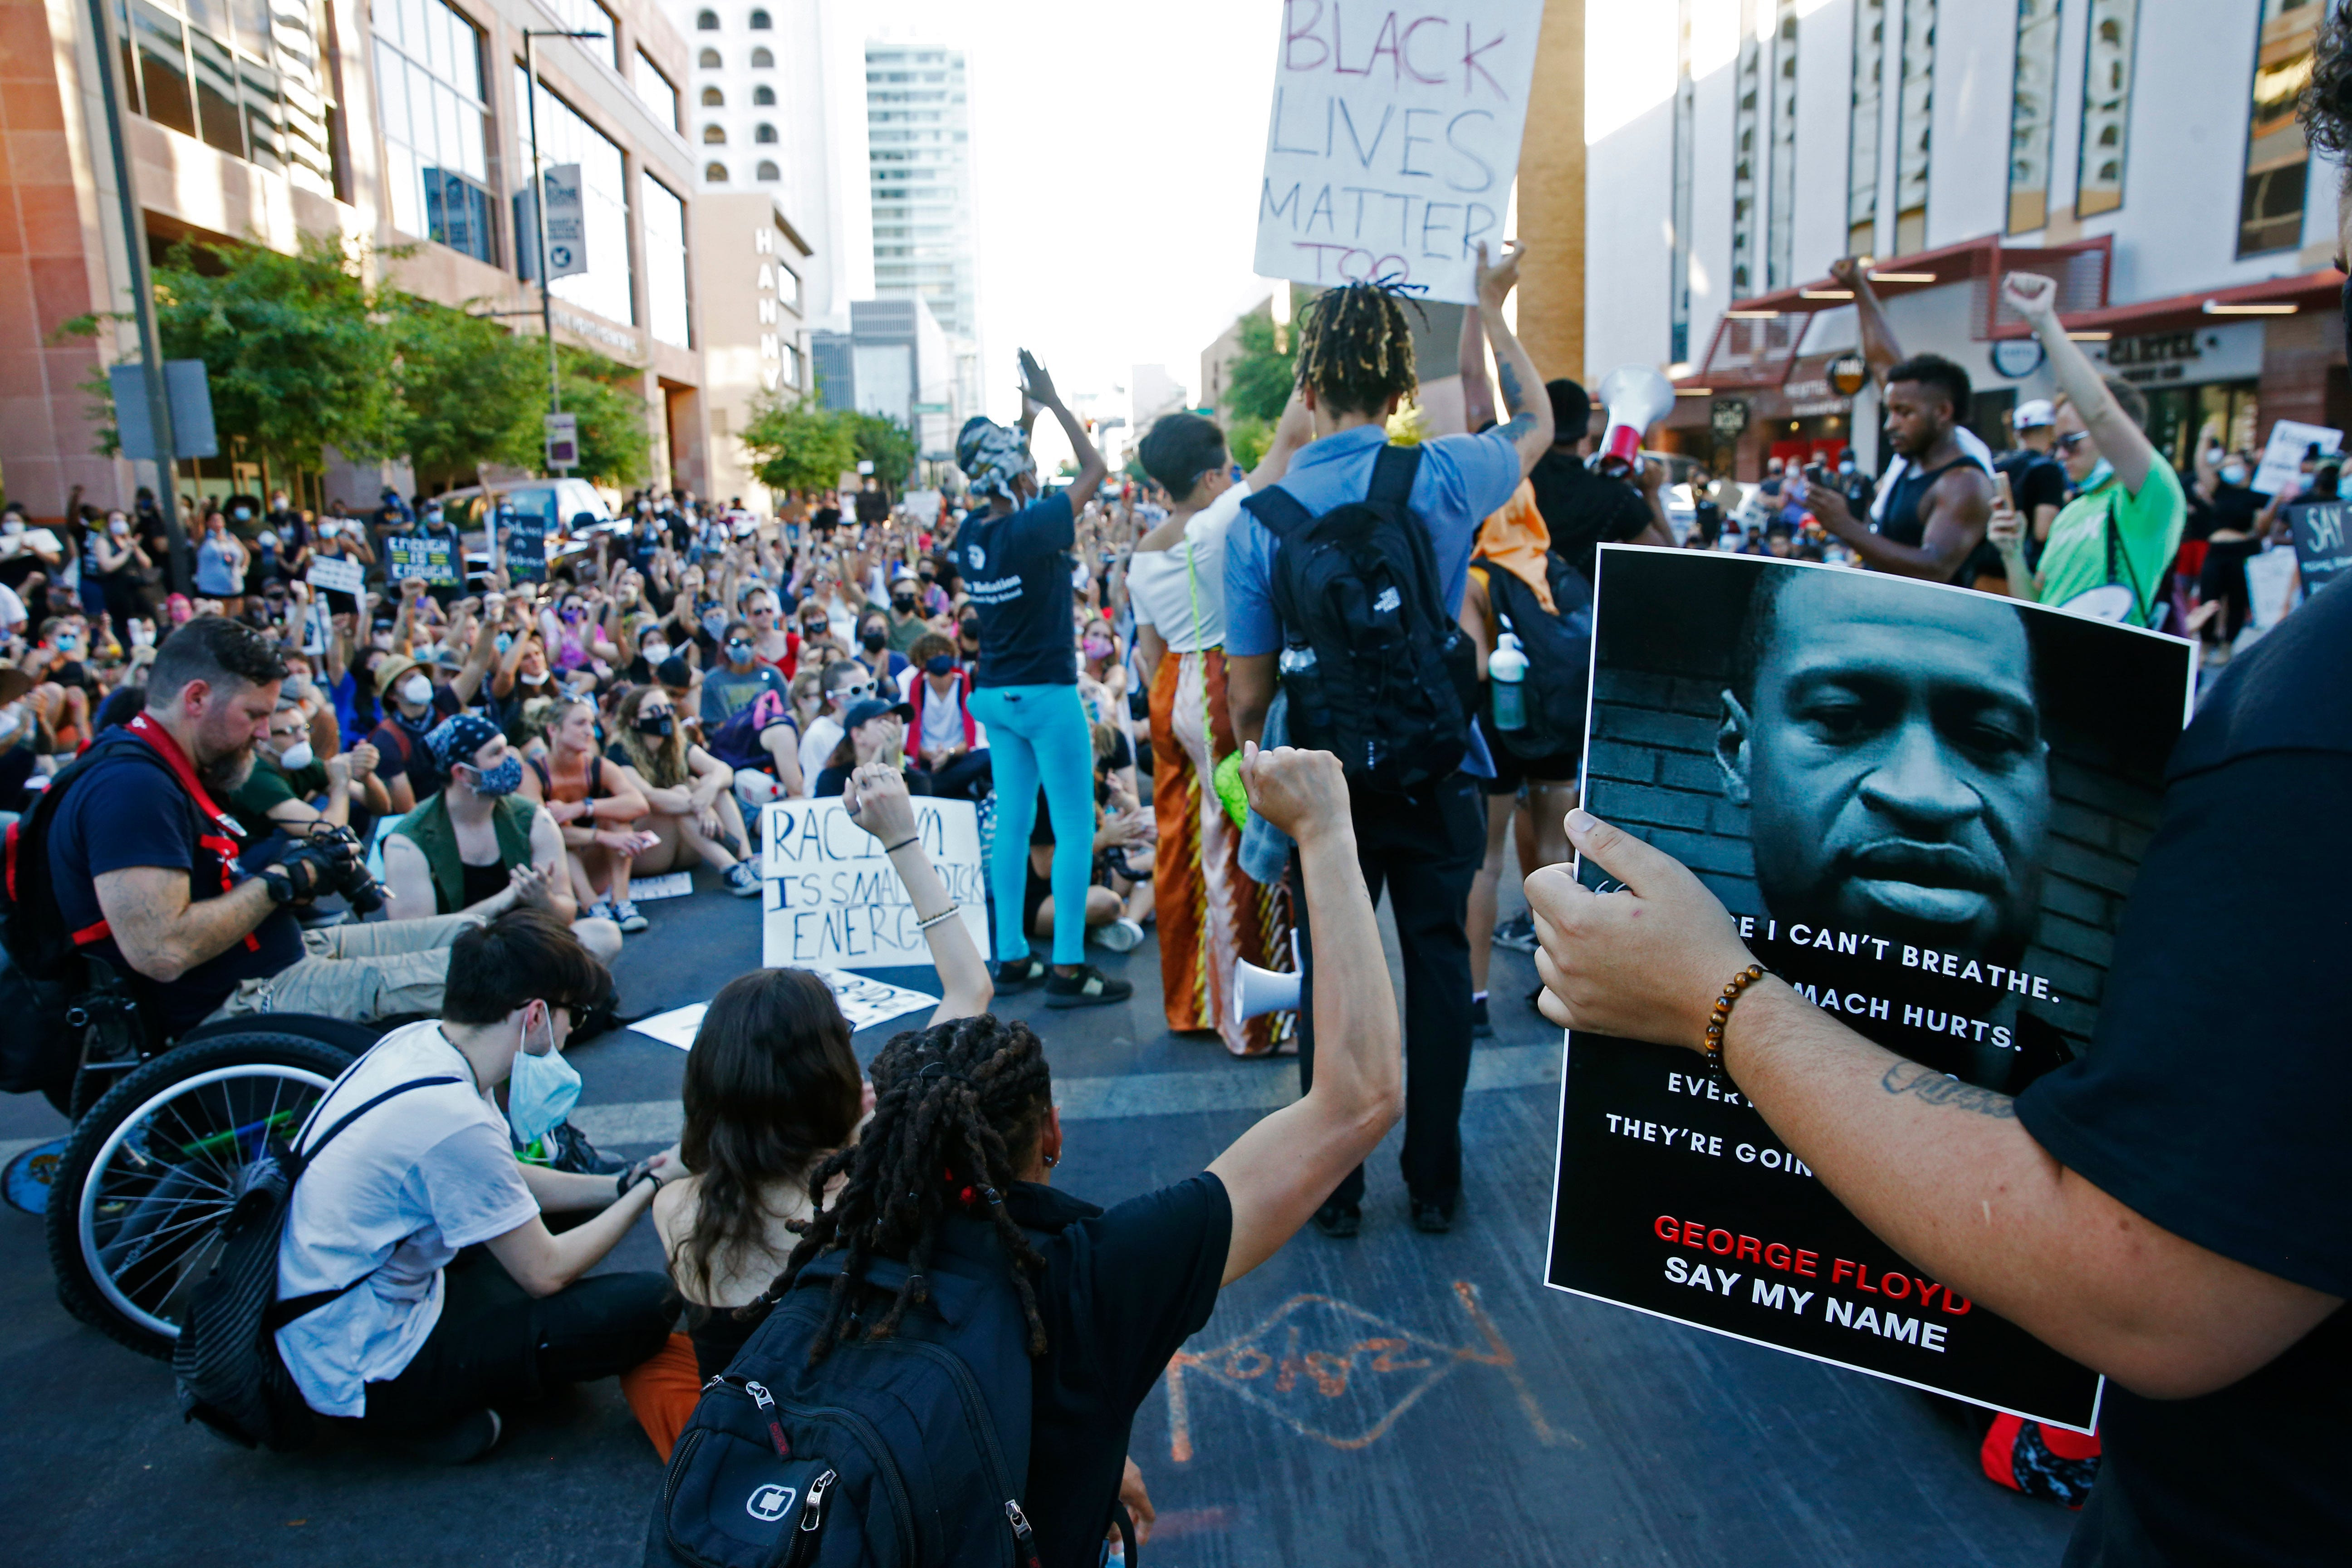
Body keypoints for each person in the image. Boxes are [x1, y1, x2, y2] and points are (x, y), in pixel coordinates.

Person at [691, 745, 1402, 1561]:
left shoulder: (843, 1217)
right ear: (1051, 1133)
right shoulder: (1084, 1277)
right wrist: (1324, 828)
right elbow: (1359, 1096)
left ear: (885, 1124)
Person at [1225, 242, 1553, 1236]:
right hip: (1437, 763)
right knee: (1439, 966)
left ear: (1311, 386)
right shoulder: (1445, 474)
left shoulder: (1258, 520)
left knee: (1334, 970)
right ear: (1401, 386)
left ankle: (1335, 1184)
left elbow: (1247, 698)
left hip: (1324, 783)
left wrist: (1259, 789)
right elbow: (1537, 424)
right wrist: (1493, 312)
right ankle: (1437, 1178)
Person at [621, 765, 991, 1460]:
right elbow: (969, 987)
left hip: (761, 1459)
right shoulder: (883, 1174)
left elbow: (728, 1150)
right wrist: (902, 838)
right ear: (835, 1080)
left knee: (652, 1359)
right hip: (878, 1448)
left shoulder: (675, 1207)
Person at [274, 909, 679, 1465]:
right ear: (536, 1015)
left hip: (341, 1305)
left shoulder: (425, 1046)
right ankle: (405, 1419)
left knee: (558, 1224)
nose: (570, 1033)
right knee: (645, 1306)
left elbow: (503, 1181)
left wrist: (614, 1185)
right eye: (573, 1016)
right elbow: (546, 1272)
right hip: (364, 1361)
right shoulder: (452, 1115)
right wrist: (649, 1188)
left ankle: (470, 1378)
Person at [43, 616, 476, 1034]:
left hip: (278, 955)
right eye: (254, 715)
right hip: (244, 997)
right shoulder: (133, 788)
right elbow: (163, 951)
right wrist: (281, 881)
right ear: (196, 699)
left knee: (476, 936)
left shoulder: (169, 768)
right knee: (503, 971)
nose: (265, 733)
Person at [947, 351, 1131, 1009]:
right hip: (1049, 696)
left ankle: (1013, 957)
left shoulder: (972, 534)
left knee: (1016, 827)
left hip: (996, 696)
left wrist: (1023, 426)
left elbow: (1012, 482)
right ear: (1017, 479)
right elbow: (1095, 470)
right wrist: (1053, 403)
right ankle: (1070, 969)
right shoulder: (1036, 526)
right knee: (1077, 830)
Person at [1129, 406, 1308, 1054]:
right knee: (1243, 845)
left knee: (1183, 845)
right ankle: (1256, 1022)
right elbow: (1289, 439)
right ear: (1209, 476)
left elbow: (1149, 655)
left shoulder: (1141, 554)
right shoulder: (1218, 519)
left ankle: (1193, 1001)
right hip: (1220, 680)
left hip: (1172, 688)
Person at [1988, 271, 2188, 629]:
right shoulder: (2072, 512)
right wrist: (2012, 554)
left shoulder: (2153, 498)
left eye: (2070, 441)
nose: (2059, 455)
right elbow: (2036, 610)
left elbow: (2099, 412)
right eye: (2056, 443)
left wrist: (2044, 323)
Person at [381, 714, 623, 965]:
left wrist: (544, 900)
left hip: (523, 948)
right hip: (456, 962)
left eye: (508, 748)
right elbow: (414, 942)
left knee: (603, 936)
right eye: (496, 753)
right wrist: (503, 900)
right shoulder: (408, 842)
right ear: (463, 773)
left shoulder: (533, 819)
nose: (512, 759)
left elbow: (566, 914)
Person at [517, 695, 657, 934]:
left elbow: (638, 804)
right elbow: (536, 832)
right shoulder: (532, 773)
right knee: (557, 831)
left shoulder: (598, 766)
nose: (589, 732)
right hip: (559, 878)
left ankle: (621, 901)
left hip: (595, 865)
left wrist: (584, 807)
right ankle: (590, 904)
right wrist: (603, 837)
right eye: (580, 724)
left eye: (591, 724)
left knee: (617, 817)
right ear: (553, 730)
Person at [605, 682, 761, 897]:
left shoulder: (676, 744)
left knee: (710, 786)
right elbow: (648, 797)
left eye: (668, 709)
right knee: (680, 793)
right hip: (648, 850)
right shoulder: (619, 752)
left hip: (687, 845)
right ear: (634, 720)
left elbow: (722, 770)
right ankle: (730, 869)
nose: (664, 715)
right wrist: (697, 805)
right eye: (655, 711)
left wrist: (707, 793)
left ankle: (746, 859)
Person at [227, 700, 387, 840]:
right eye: (289, 731)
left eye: (304, 728)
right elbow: (328, 834)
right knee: (308, 843)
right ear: (261, 743)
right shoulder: (256, 775)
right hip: (248, 857)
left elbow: (382, 808)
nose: (303, 738)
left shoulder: (304, 765)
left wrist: (366, 775)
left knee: (355, 808)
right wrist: (340, 784)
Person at [902, 633, 991, 800]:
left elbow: (974, 738)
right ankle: (943, 788)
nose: (940, 658)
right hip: (927, 759)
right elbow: (908, 737)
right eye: (933, 655)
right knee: (909, 770)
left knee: (986, 756)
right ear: (922, 662)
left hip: (958, 757)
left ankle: (933, 789)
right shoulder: (915, 685)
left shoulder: (964, 681)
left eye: (944, 653)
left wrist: (949, 754)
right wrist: (932, 756)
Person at [1996, 398, 2070, 569]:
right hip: (2026, 569)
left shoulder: (2000, 463)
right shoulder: (2048, 469)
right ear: (2050, 429)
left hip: (1991, 568)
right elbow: (2043, 531)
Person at [811, 696, 928, 800]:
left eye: (896, 722)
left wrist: (895, 765)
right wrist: (875, 763)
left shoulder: (917, 780)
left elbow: (911, 816)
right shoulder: (833, 779)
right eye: (883, 721)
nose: (893, 729)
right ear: (858, 735)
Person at [700, 620, 789, 728]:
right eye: (736, 643)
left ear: (756, 644)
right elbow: (715, 725)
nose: (743, 648)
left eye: (749, 642)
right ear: (726, 646)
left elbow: (786, 713)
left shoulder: (773, 675)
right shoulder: (712, 681)